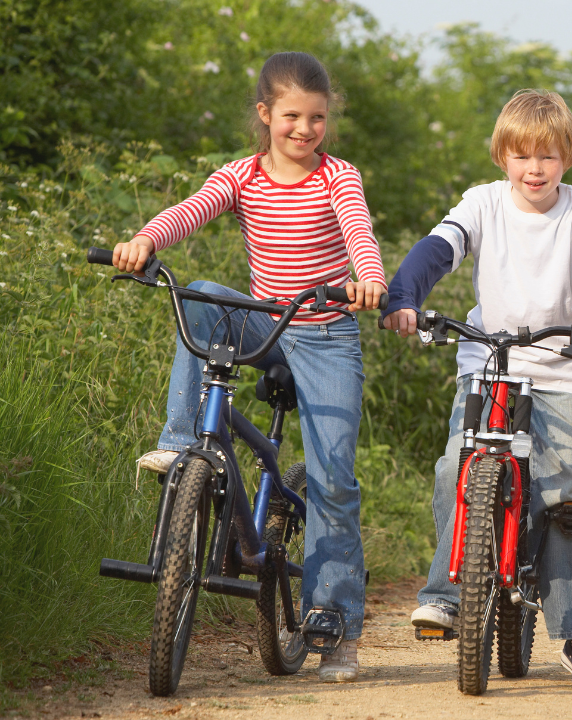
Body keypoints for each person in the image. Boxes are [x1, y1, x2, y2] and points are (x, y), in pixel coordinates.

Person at [111, 52, 386, 683]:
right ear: (265, 115)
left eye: (316, 118)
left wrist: (368, 279)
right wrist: (147, 240)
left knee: (333, 478)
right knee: (202, 293)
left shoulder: (338, 176)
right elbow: (192, 208)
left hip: (323, 331)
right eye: (291, 116)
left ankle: (334, 619)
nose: (304, 129)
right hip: (266, 323)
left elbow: (359, 234)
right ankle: (184, 443)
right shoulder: (241, 175)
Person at [382, 89, 572, 689]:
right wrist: (403, 296)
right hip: (489, 365)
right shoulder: (482, 204)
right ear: (502, 158)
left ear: (567, 156)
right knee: (454, 468)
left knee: (568, 495)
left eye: (547, 156)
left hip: (563, 367)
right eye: (522, 157)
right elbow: (436, 252)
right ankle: (448, 593)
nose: (534, 169)